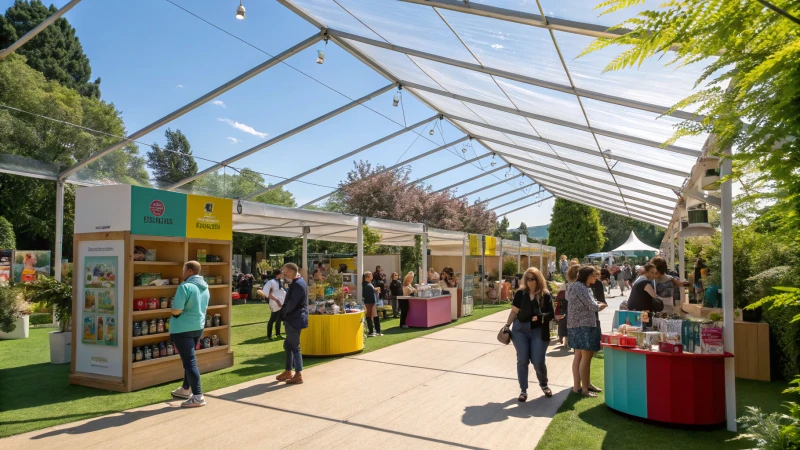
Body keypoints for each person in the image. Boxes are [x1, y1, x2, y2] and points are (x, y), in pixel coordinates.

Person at [503, 267, 554, 402]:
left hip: (538, 330)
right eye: (528, 279)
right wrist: (507, 326)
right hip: (520, 329)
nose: (530, 282)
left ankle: (544, 384)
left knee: (538, 361)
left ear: (539, 280)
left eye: (533, 279)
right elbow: (514, 311)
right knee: (522, 360)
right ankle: (523, 390)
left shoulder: (545, 294)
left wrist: (540, 316)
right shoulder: (520, 293)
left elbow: (551, 314)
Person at [169, 261, 210, 407]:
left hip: (182, 328)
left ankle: (198, 396)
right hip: (197, 326)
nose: (182, 273)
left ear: (190, 271)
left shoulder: (184, 286)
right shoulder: (205, 287)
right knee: (189, 359)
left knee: (189, 362)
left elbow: (176, 310)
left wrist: (173, 311)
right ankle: (186, 389)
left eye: (183, 269)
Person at [567, 266, 606, 397]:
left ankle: (580, 386)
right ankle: (584, 389)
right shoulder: (581, 287)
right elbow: (592, 306)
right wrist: (602, 305)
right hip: (584, 325)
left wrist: (596, 304)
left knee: (578, 356)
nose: (596, 277)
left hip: (576, 325)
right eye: (594, 275)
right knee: (586, 357)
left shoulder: (576, 286)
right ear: (587, 275)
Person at [276, 263, 308, 385]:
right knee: (288, 345)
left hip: (294, 319)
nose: (283, 274)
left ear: (290, 271)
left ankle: (298, 374)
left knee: (294, 347)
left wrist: (283, 313)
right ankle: (288, 371)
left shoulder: (298, 284)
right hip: (294, 319)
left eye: (284, 272)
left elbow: (292, 303)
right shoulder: (298, 283)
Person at [256, 269, 284, 339]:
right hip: (275, 302)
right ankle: (269, 335)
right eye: (281, 274)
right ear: (277, 274)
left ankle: (278, 333)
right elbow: (266, 292)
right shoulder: (271, 282)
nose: (282, 275)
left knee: (279, 319)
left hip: (281, 302)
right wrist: (276, 300)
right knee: (273, 319)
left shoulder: (281, 281)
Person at [556, 265, 579, 348]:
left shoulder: (567, 284)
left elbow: (562, 297)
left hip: (568, 306)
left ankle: (567, 340)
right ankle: (569, 340)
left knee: (568, 323)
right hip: (573, 307)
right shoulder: (578, 285)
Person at [362, 271, 382, 337]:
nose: (372, 276)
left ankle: (376, 331)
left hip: (372, 302)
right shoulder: (366, 285)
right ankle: (372, 331)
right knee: (370, 316)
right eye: (371, 275)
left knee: (374, 316)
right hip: (369, 303)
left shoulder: (368, 284)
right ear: (367, 277)